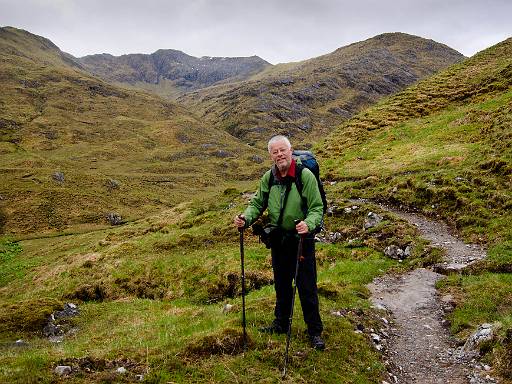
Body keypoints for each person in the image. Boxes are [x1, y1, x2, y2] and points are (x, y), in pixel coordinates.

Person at [233, 135, 325, 350]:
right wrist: (245, 218)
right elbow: (257, 203)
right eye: (275, 152)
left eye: (282, 150)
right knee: (282, 284)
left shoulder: (305, 176)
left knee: (306, 286)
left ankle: (315, 331)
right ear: (270, 155)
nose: (280, 155)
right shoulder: (269, 177)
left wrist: (308, 224)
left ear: (290, 151)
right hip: (279, 240)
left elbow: (316, 208)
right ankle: (281, 324)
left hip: (302, 239)